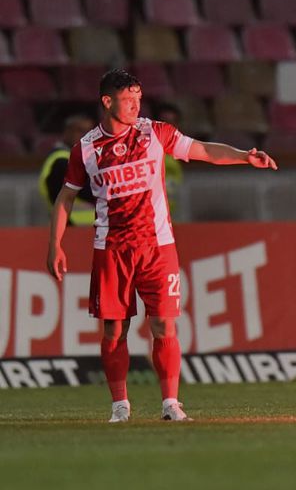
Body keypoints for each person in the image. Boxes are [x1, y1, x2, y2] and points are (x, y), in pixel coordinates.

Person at [46, 70, 278, 423]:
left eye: (139, 97)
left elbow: (202, 150)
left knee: (164, 326)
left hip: (158, 247)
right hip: (111, 248)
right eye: (128, 99)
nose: (136, 104)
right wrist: (55, 245)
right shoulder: (87, 149)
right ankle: (119, 405)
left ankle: (171, 402)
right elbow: (65, 196)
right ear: (107, 102)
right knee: (113, 330)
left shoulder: (154, 132)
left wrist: (244, 155)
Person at [39, 114, 96, 227]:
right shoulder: (62, 161)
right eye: (80, 130)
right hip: (74, 228)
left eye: (90, 132)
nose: (87, 136)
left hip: (86, 229)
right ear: (67, 132)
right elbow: (89, 192)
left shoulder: (81, 158)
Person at [156, 102, 185, 208]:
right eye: (164, 123)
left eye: (172, 123)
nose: (168, 128)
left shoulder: (182, 153)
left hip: (175, 219)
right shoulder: (144, 154)